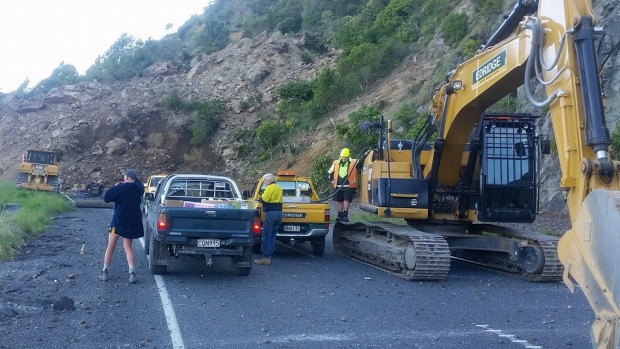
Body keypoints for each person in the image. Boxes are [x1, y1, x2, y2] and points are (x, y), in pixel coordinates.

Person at [99, 169, 144, 283]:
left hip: (118, 222)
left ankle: (104, 272)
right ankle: (132, 273)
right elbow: (137, 183)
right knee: (128, 247)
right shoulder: (139, 188)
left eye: (124, 177)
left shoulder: (120, 188)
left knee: (111, 246)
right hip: (131, 223)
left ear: (127, 178)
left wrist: (116, 186)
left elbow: (107, 198)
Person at [254, 173, 283, 266]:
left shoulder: (270, 188)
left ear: (269, 180)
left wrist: (260, 198)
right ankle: (269, 256)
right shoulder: (279, 187)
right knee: (273, 236)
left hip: (271, 214)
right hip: (279, 213)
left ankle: (265, 258)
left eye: (265, 180)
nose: (264, 182)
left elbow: (265, 199)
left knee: (266, 235)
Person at [327, 148, 361, 222]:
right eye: (343, 157)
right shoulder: (336, 163)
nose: (344, 158)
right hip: (338, 186)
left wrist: (365, 154)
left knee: (346, 200)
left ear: (348, 156)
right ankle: (340, 215)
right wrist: (331, 181)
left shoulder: (353, 162)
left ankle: (345, 215)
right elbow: (330, 172)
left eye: (346, 157)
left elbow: (361, 161)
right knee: (339, 201)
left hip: (349, 186)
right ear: (341, 156)